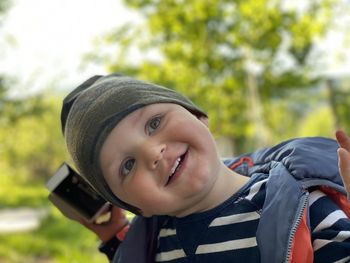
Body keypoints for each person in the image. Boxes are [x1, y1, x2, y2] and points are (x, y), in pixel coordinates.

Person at [59, 73, 350, 263]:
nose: (153, 153)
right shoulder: (153, 245)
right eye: (127, 165)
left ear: (197, 116)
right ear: (135, 206)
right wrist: (115, 238)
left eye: (154, 123)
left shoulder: (309, 210)